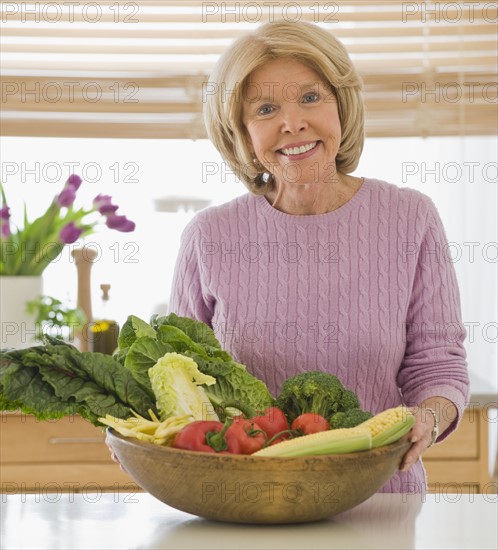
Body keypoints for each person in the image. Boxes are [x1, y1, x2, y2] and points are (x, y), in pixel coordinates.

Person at [168, 20, 469, 493]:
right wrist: (141, 433)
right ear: (243, 135)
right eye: (266, 108)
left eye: (310, 98)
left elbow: (439, 364)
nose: (293, 123)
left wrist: (427, 418)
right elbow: (178, 377)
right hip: (246, 505)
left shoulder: (411, 219)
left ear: (341, 106)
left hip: (379, 501)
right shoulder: (209, 236)